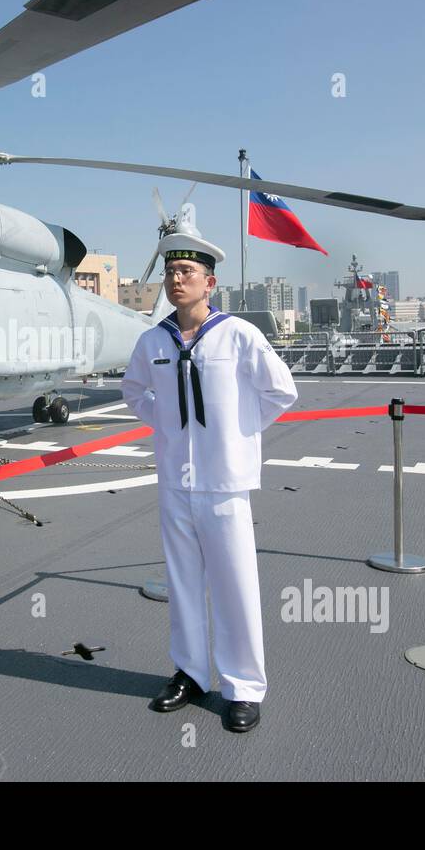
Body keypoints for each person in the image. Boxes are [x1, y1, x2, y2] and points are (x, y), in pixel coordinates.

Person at [122, 224, 298, 732]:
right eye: (172, 271)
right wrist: (166, 426)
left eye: (188, 272)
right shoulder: (153, 339)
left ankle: (243, 686)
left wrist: (237, 435)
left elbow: (279, 392)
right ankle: (192, 673)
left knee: (235, 584)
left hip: (224, 482)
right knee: (181, 582)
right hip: (175, 480)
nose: (177, 279)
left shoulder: (239, 334)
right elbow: (135, 391)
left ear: (209, 282)